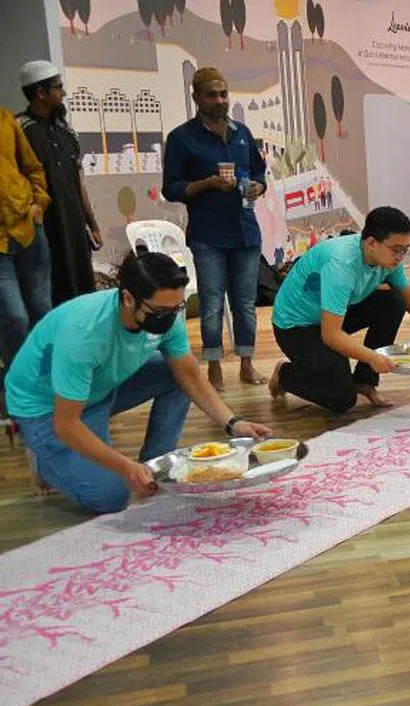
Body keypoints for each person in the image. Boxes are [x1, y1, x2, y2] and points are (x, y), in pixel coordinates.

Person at [4, 251, 272, 514]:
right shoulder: (85, 333)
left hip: (99, 389)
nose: (169, 317)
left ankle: (155, 463)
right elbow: (66, 424)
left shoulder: (165, 314)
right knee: (112, 496)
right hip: (46, 409)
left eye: (176, 308)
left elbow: (188, 374)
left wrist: (233, 423)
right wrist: (125, 467)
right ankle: (44, 460)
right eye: (160, 310)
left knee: (175, 374)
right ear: (128, 298)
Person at [269, 207, 410, 413]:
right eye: (396, 249)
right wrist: (372, 357)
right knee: (341, 398)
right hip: (295, 326)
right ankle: (284, 375)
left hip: (332, 315)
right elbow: (331, 335)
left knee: (394, 302)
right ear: (371, 243)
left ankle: (365, 382)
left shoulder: (387, 259)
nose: (401, 257)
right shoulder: (341, 264)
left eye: (405, 250)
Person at [162, 66, 267, 391]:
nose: (219, 100)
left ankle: (247, 364)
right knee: (211, 304)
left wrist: (257, 189)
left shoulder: (241, 133)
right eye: (212, 95)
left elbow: (261, 174)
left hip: (246, 231)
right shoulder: (182, 139)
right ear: (196, 97)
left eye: (223, 93)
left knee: (246, 304)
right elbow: (171, 188)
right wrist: (206, 184)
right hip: (208, 235)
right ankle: (214, 367)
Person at [17, 60, 100, 306]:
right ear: (40, 93)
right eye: (58, 87)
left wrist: (92, 225)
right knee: (48, 295)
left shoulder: (66, 130)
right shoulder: (18, 130)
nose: (63, 93)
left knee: (82, 291)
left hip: (73, 226)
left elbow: (78, 182)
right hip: (40, 229)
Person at [0, 106, 52, 405]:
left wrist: (38, 204)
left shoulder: (6, 119)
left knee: (43, 311)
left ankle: (49, 385)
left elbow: (33, 168)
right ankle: (21, 395)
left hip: (27, 227)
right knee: (14, 318)